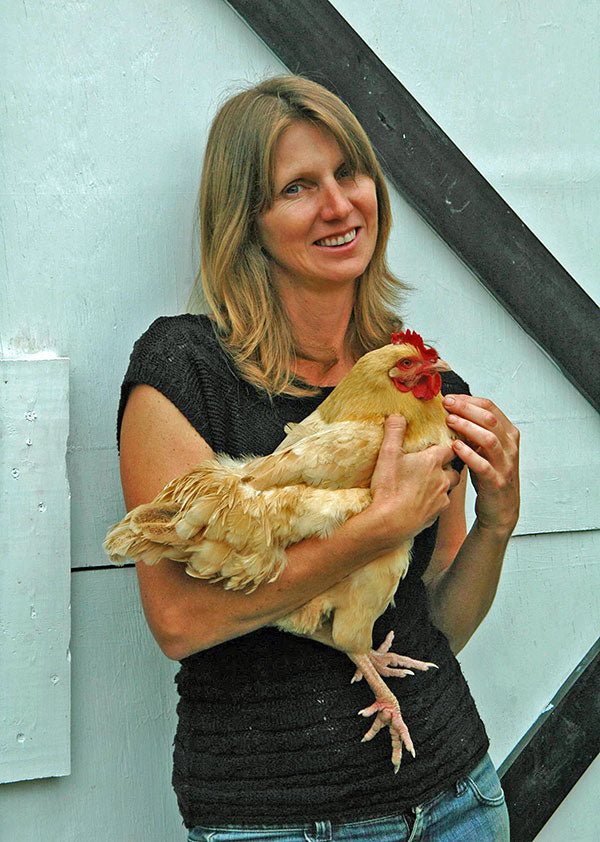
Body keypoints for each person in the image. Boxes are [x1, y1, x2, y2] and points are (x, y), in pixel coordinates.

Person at [117, 75, 519, 841]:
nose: (338, 205)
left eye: (349, 173)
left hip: (456, 799)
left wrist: (499, 522)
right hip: (274, 823)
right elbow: (178, 621)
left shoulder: (420, 389)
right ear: (248, 223)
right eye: (298, 187)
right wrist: (370, 530)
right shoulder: (184, 372)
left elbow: (434, 626)